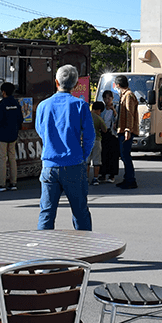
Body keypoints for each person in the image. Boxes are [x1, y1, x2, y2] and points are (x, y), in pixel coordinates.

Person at [35, 64, 94, 230]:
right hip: (74, 163)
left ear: (56, 82)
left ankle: (44, 250)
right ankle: (85, 250)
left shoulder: (43, 105)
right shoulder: (80, 105)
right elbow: (90, 136)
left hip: (49, 164)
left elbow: (40, 131)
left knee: (46, 212)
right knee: (80, 211)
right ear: (76, 85)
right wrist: (83, 155)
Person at [0, 82, 23, 191]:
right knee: (12, 158)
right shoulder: (16, 103)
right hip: (13, 134)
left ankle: (1, 184)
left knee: (2, 159)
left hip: (2, 134)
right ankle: (13, 183)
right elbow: (20, 119)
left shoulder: (1, 105)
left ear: (3, 92)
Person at [115, 74, 139, 189]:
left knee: (125, 155)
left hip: (126, 130)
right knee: (124, 155)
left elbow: (129, 114)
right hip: (123, 129)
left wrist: (128, 130)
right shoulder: (124, 95)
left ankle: (131, 179)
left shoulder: (128, 96)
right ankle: (127, 178)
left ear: (118, 85)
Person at [98, 90, 119, 183]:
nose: (107, 100)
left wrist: (113, 110)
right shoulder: (101, 108)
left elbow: (117, 119)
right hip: (103, 132)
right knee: (103, 154)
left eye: (109, 98)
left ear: (112, 99)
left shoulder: (116, 107)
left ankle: (112, 175)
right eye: (105, 98)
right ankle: (102, 174)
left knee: (113, 155)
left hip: (112, 133)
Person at [88, 101, 107, 185]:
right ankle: (95, 178)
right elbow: (104, 129)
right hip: (96, 140)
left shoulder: (85, 116)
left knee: (86, 161)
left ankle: (85, 178)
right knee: (97, 161)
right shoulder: (99, 118)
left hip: (86, 140)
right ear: (99, 110)